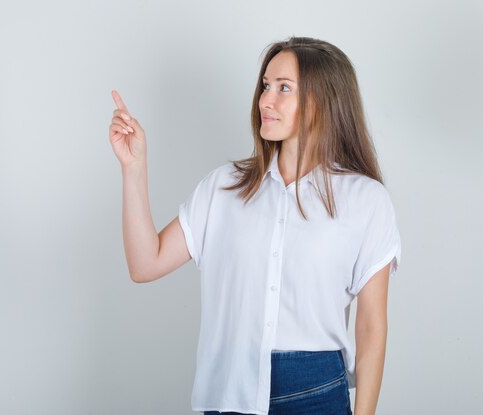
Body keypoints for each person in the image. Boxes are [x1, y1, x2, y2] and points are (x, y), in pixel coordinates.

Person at [109, 36, 402, 415]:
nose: (266, 100)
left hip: (316, 391)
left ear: (323, 102)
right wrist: (133, 169)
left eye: (284, 88)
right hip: (230, 388)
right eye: (266, 86)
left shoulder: (366, 200)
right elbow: (145, 264)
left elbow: (371, 327)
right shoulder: (224, 187)